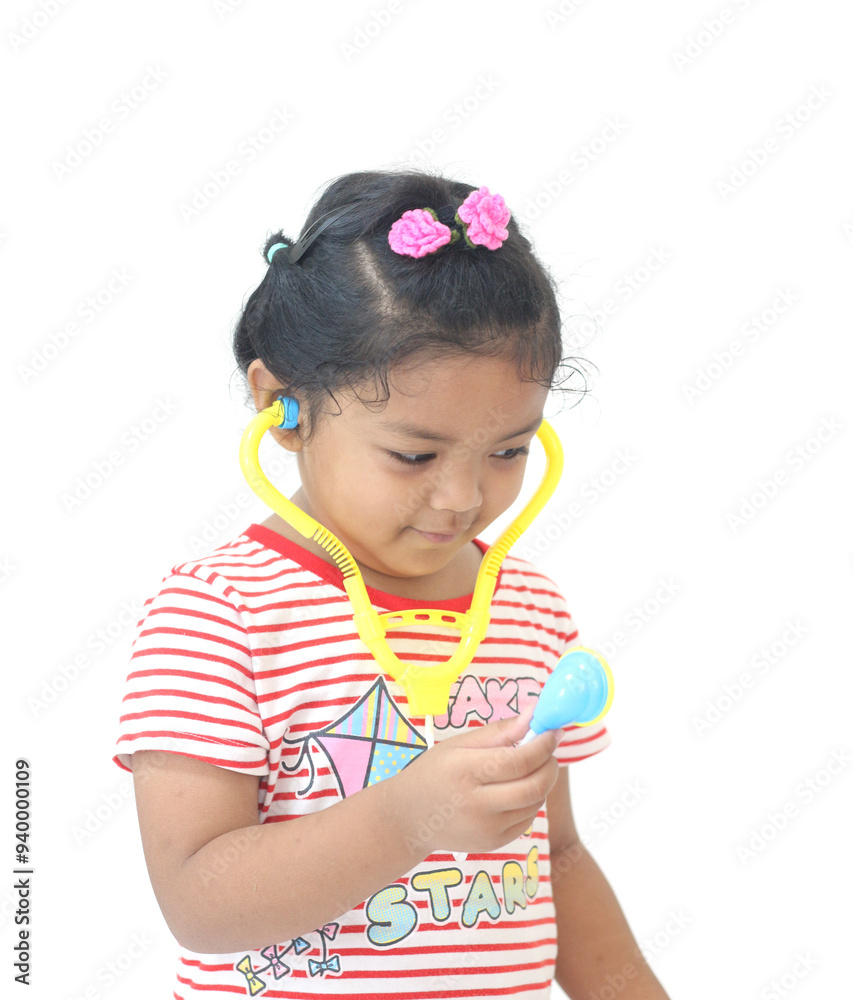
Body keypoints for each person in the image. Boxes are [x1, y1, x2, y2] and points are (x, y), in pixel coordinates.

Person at [114, 169, 670, 999]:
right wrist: (407, 819)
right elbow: (199, 900)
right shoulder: (219, 613)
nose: (461, 497)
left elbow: (555, 857)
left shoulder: (529, 610)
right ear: (283, 406)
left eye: (507, 450)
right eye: (413, 455)